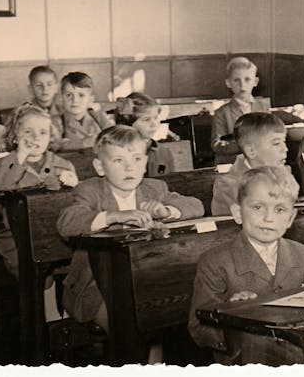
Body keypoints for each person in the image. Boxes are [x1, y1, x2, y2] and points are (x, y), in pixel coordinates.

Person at [57, 126, 204, 335]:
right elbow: (67, 222)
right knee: (129, 327)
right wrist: (113, 216)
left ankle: (154, 363)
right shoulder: (90, 191)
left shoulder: (154, 188)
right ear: (100, 166)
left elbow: (196, 206)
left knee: (164, 314)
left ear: (145, 163)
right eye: (118, 161)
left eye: (136, 159)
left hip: (146, 281)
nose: (129, 168)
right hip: (97, 287)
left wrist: (166, 211)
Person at [188, 166, 304, 360]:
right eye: (257, 207)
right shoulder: (215, 262)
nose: (268, 217)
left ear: (290, 218)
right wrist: (231, 317)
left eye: (280, 209)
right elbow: (198, 328)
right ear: (238, 213)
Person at [0, 104, 78, 321]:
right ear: (15, 136)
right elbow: (3, 185)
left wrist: (74, 184)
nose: (35, 138)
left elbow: (76, 202)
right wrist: (19, 157)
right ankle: (48, 315)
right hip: (16, 237)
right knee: (35, 265)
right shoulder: (6, 165)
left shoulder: (62, 164)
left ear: (51, 137)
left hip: (57, 233)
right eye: (27, 132)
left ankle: (71, 308)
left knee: (84, 258)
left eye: (42, 132)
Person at [211, 112, 289, 216]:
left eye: (284, 142)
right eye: (276, 143)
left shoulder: (281, 175)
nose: (285, 149)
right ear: (251, 151)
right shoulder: (229, 186)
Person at [211, 57, 270, 164]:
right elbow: (216, 145)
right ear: (228, 83)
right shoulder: (222, 113)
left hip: (259, 163)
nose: (242, 85)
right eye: (236, 80)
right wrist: (244, 144)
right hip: (232, 164)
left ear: (255, 81)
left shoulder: (264, 107)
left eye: (247, 79)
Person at [115, 92, 181, 176]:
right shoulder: (117, 153)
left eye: (156, 118)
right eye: (146, 119)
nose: (154, 124)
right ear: (128, 124)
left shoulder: (164, 153)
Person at [52, 72, 113, 150]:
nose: (75, 100)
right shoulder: (56, 122)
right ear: (61, 98)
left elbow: (114, 137)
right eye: (69, 95)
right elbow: (55, 146)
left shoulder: (98, 117)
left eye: (81, 95)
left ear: (91, 99)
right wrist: (85, 143)